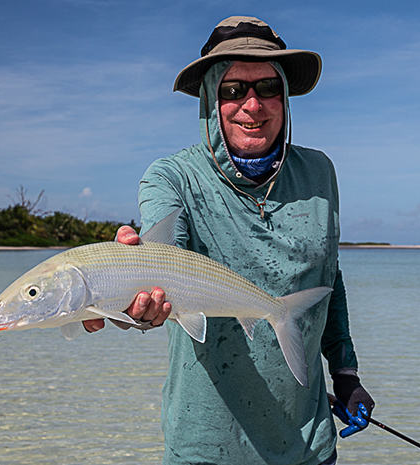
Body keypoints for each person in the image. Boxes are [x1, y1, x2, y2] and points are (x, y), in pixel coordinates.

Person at [84, 16, 374, 465]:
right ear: (209, 98)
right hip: (204, 447)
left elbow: (328, 281)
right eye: (233, 90)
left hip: (309, 444)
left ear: (285, 96)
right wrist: (133, 301)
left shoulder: (320, 173)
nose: (252, 106)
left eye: (268, 88)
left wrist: (346, 373)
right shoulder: (172, 177)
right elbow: (164, 258)